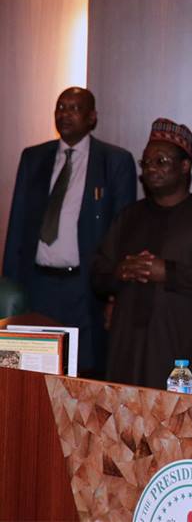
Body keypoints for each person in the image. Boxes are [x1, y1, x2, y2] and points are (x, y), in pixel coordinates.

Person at [92, 118, 192, 391]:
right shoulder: (128, 217)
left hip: (180, 357)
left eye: (160, 161)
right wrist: (120, 271)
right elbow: (98, 275)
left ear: (185, 166)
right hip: (127, 353)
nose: (150, 168)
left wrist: (168, 272)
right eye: (146, 162)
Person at [3, 87, 136, 374]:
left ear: (92, 117)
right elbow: (17, 227)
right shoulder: (33, 157)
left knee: (83, 372)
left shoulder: (114, 161)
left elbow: (123, 234)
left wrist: (116, 296)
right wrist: (10, 287)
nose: (65, 114)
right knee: (29, 373)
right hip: (37, 285)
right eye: (60, 107)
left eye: (74, 108)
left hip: (85, 287)